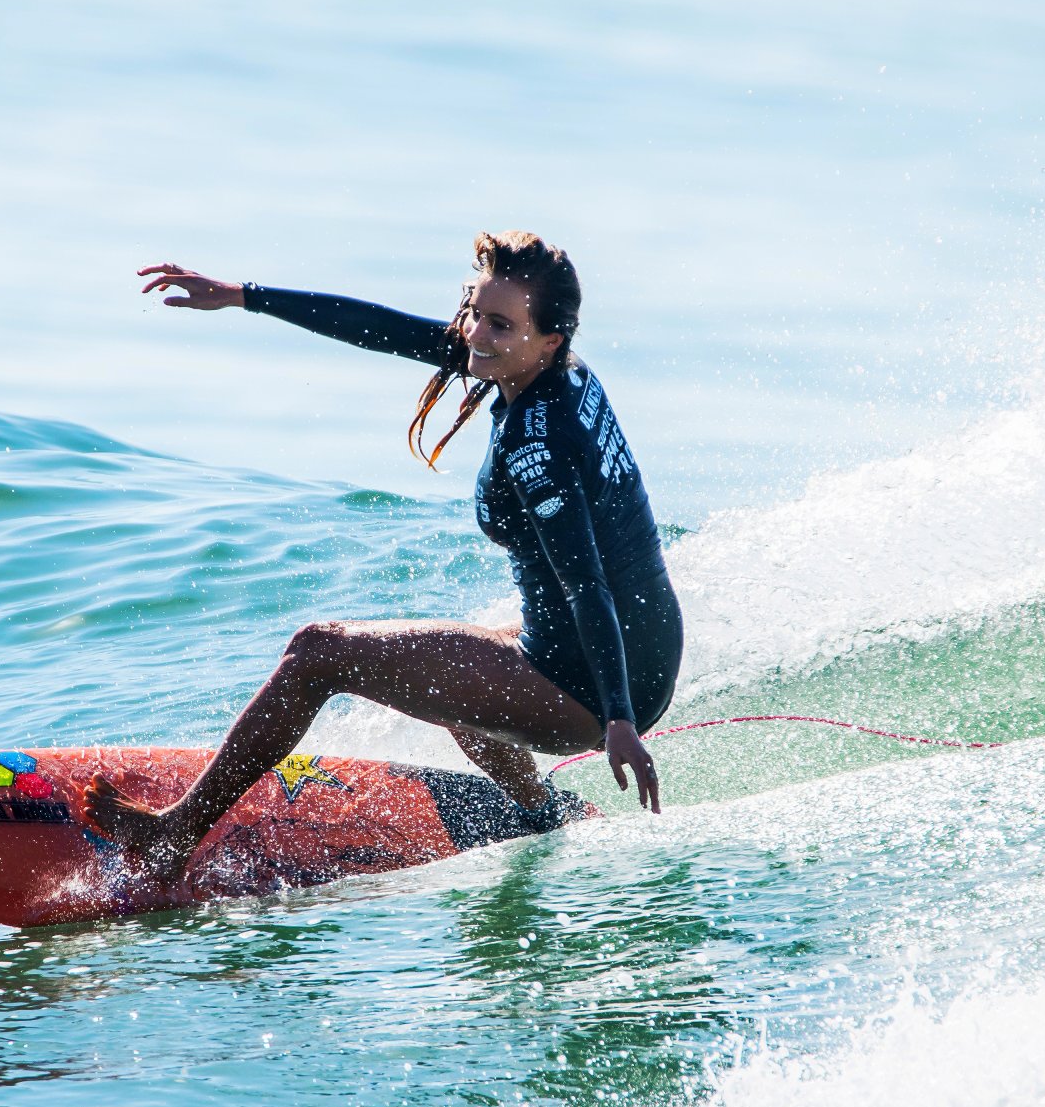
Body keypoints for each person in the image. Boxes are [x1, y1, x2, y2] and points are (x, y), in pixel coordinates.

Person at [86, 230, 684, 883]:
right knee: (441, 664)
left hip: (593, 681)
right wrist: (241, 297)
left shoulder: (538, 443)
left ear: (548, 339)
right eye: (473, 310)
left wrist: (620, 719)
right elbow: (382, 328)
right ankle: (539, 809)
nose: (475, 333)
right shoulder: (551, 370)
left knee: (317, 652)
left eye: (498, 324)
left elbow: (584, 585)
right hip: (639, 648)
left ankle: (174, 835)